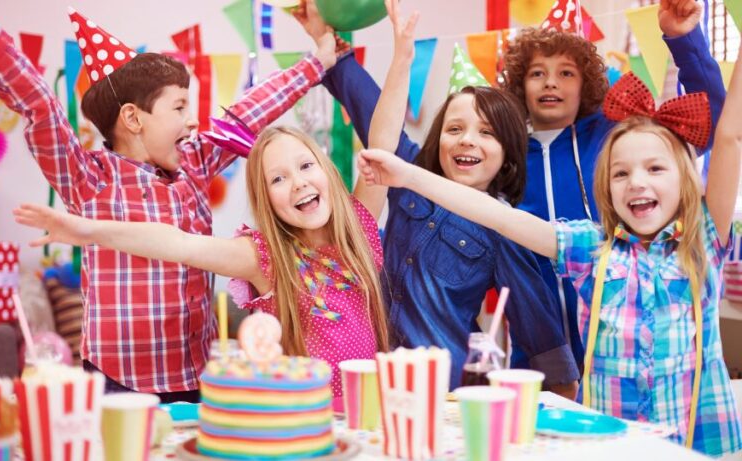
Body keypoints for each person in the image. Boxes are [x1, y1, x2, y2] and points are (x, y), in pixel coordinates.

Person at [357, 46, 742, 455]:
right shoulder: (591, 248)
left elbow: (731, 137)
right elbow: (498, 217)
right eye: (621, 173)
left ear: (684, 180)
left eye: (655, 168)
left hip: (700, 441)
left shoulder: (701, 242)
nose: (637, 183)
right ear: (605, 188)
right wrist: (407, 175)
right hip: (611, 441)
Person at [0, 1, 340, 401]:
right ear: (133, 119)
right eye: (180, 107)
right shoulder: (87, 178)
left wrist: (317, 62)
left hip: (195, 377)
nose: (192, 120)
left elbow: (247, 113)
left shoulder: (196, 161)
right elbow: (40, 105)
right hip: (118, 381)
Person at [301, 0, 578, 395]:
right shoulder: (408, 173)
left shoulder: (504, 228)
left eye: (487, 133)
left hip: (441, 392)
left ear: (507, 155)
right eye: (456, 128)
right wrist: (324, 39)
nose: (468, 139)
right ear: (438, 139)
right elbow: (372, 109)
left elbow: (538, 325)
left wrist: (561, 396)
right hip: (370, 377)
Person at [15, 126, 391, 401]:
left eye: (306, 166)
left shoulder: (355, 230)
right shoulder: (265, 257)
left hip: (368, 418)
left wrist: (403, 51)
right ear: (267, 200)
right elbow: (178, 244)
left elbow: (383, 142)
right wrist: (85, 229)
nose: (297, 183)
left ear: (326, 170)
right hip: (301, 422)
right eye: (278, 178)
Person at [503, 0, 727, 367]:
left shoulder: (616, 137)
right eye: (537, 73)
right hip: (535, 359)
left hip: (622, 350)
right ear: (520, 84)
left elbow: (708, 121)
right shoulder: (505, 153)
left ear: (587, 83)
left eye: (566, 73)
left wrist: (683, 38)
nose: (551, 83)